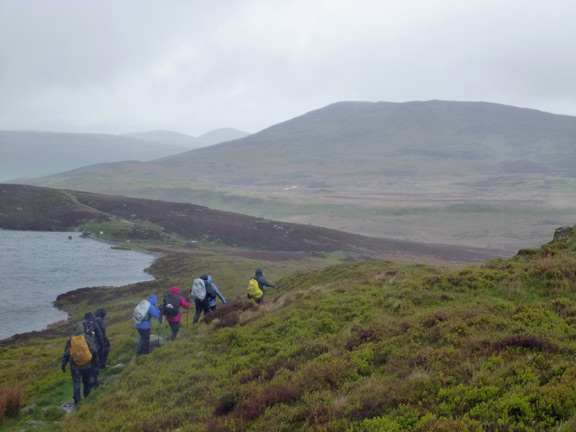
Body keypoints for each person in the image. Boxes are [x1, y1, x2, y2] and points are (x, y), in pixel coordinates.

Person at [62, 322, 99, 406]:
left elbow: (66, 354)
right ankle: (87, 397)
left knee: (76, 382)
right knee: (86, 381)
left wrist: (63, 365)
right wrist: (95, 361)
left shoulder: (71, 339)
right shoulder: (86, 337)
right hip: (87, 365)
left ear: (74, 330)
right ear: (82, 328)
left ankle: (77, 400)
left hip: (75, 366)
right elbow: (94, 350)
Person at [83, 312, 102, 388]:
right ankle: (94, 382)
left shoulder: (82, 326)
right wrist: (101, 347)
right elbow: (100, 336)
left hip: (85, 350)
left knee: (88, 366)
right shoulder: (94, 324)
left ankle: (88, 384)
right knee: (95, 365)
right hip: (95, 348)